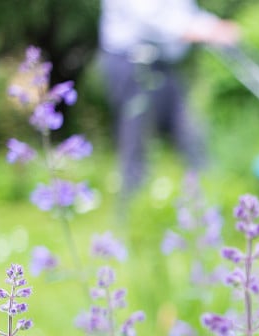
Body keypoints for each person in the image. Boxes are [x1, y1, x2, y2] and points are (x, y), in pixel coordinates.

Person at [98, 0, 240, 198]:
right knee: (136, 138)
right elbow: (149, 17)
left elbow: (184, 11)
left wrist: (215, 26)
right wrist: (201, 32)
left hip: (162, 63)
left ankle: (213, 201)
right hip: (131, 62)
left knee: (190, 133)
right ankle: (130, 209)